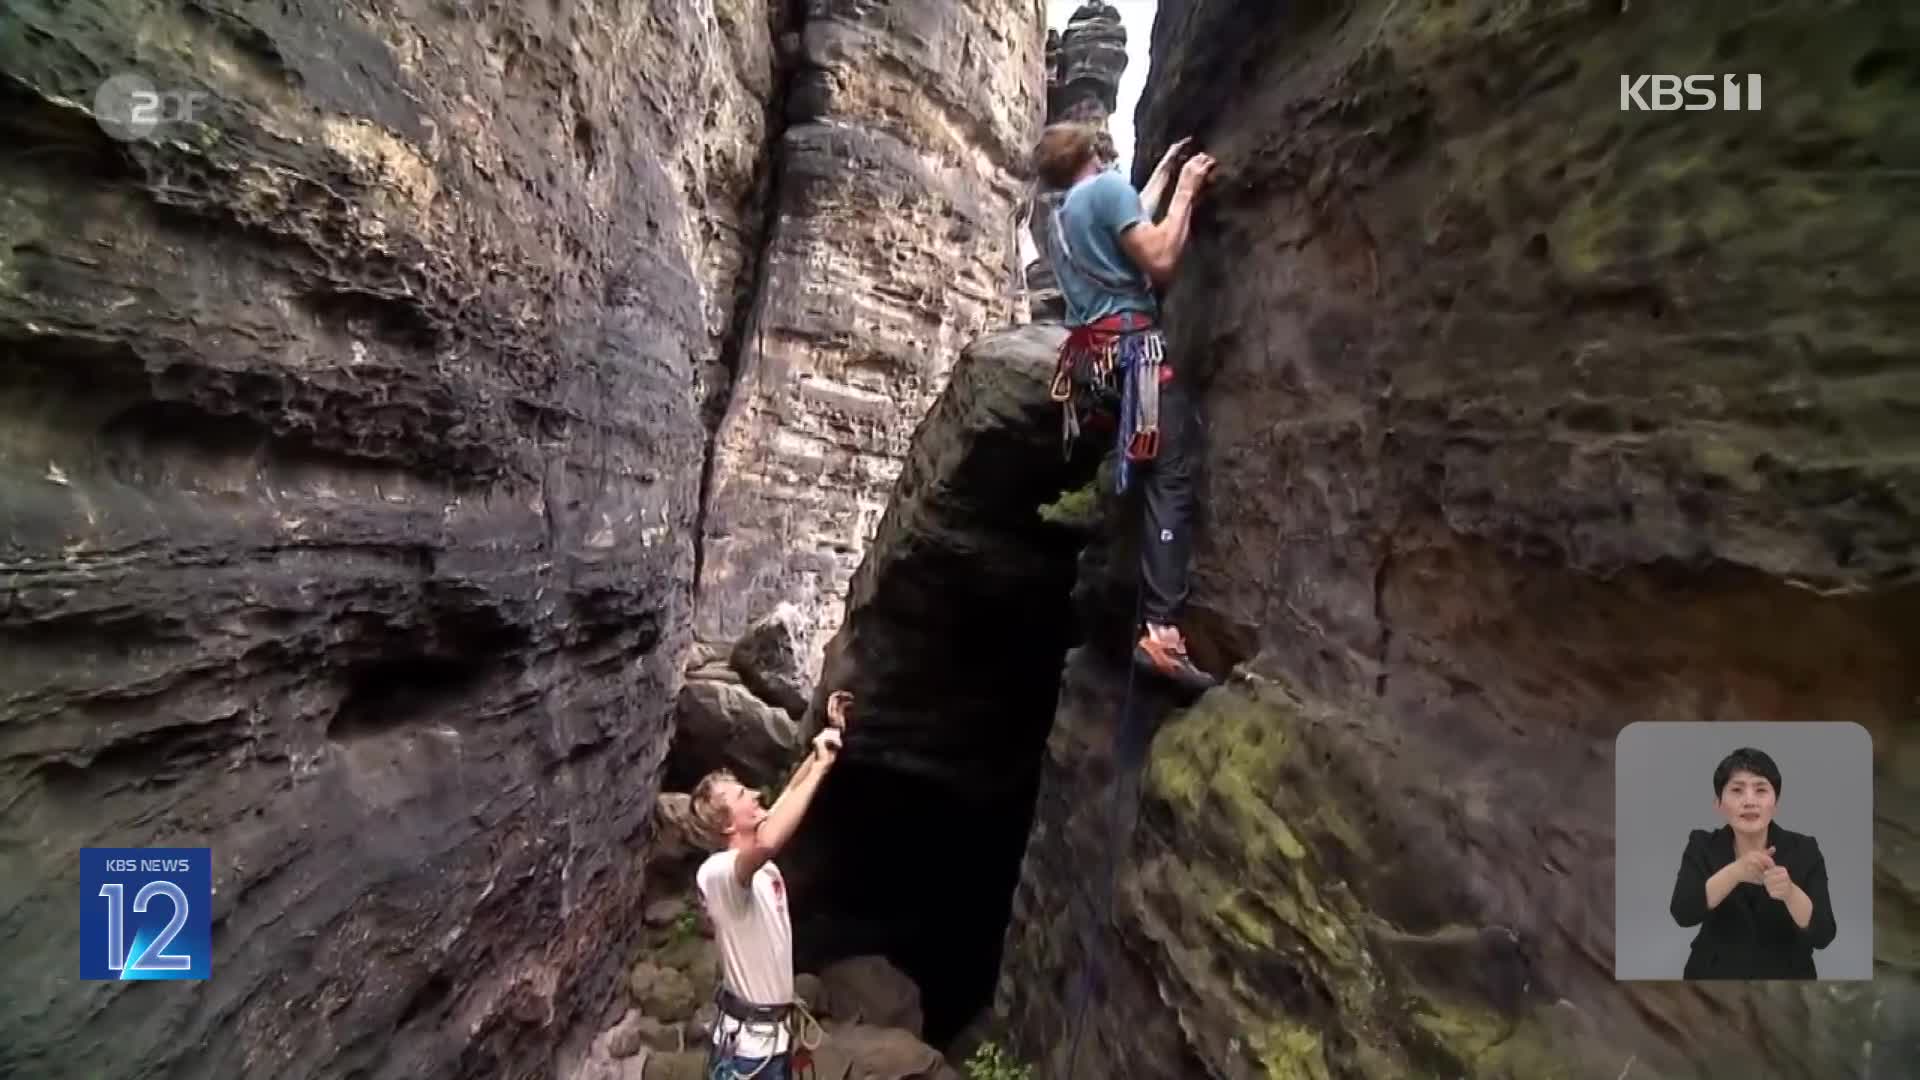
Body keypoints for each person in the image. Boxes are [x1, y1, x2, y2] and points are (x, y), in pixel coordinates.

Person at [1031, 121, 1219, 692]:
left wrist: (1161, 172)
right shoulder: (1105, 192)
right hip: (1137, 351)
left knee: (1140, 472)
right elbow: (1158, 258)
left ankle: (1136, 603)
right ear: (1093, 152)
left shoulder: (1060, 217)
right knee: (1172, 478)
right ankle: (1160, 634)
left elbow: (1122, 218)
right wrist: (1186, 187)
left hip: (1095, 359)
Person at [690, 690, 852, 1078]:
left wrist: (823, 748)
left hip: (774, 1041)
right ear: (728, 824)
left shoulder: (761, 868)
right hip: (748, 1054)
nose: (757, 794)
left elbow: (788, 799)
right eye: (744, 794)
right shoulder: (718, 873)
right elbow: (768, 839)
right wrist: (818, 768)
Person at [1667, 746, 1837, 979]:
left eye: (1760, 790)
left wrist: (1790, 893)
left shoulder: (1804, 849)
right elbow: (1683, 913)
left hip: (1786, 983)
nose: (1749, 801)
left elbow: (1824, 935)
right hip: (1714, 978)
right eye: (1737, 790)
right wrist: (1734, 872)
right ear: (1718, 803)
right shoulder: (1702, 844)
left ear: (1775, 803)